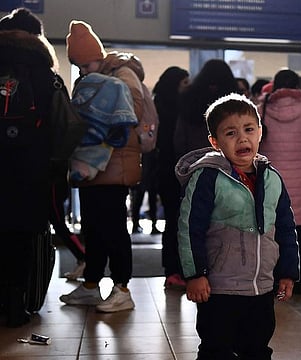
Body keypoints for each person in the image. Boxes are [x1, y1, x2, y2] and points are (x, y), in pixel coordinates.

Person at [176, 93, 299, 359]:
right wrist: (195, 274)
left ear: (260, 133)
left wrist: (288, 272)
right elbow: (189, 228)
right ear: (215, 142)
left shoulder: (272, 178)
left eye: (249, 129)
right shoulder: (207, 177)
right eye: (230, 133)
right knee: (216, 349)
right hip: (219, 287)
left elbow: (287, 228)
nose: (242, 138)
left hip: (261, 287)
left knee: (257, 349)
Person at [59, 20, 144, 313]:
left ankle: (122, 287)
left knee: (113, 227)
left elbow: (133, 112)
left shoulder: (122, 74)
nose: (82, 72)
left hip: (115, 163)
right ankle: (92, 284)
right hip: (94, 165)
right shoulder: (94, 78)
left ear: (98, 56)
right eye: (78, 67)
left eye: (85, 65)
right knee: (93, 228)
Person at [0, 7, 63, 327]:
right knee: (22, 238)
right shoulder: (45, 73)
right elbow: (64, 125)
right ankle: (15, 304)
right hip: (31, 170)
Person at [258, 69, 301, 294]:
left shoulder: (262, 110)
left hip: (271, 181)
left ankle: (275, 279)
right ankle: (299, 278)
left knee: (274, 232)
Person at [152, 66, 190, 288]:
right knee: (178, 221)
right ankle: (178, 269)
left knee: (172, 221)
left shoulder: (158, 105)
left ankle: (171, 270)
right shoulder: (179, 109)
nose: (188, 88)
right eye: (185, 83)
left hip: (164, 170)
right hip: (175, 170)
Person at [174, 59, 238, 159]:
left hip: (195, 157)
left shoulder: (189, 99)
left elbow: (180, 139)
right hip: (227, 157)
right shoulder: (235, 102)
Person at [50, 178, 86, 281]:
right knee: (59, 226)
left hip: (52, 182)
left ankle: (82, 257)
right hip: (52, 182)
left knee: (59, 225)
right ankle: (81, 257)